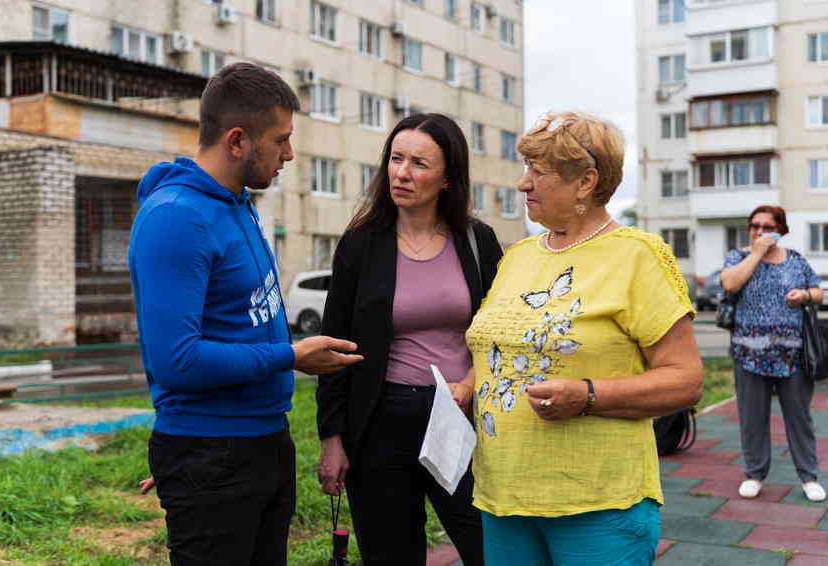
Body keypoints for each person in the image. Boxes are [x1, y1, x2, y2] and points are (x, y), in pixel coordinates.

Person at [128, 62, 363, 566]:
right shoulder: (177, 217)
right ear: (237, 141)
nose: (289, 154)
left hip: (262, 440)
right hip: (211, 454)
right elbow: (177, 361)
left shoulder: (237, 205)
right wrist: (291, 356)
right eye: (281, 140)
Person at [464, 111, 703, 566]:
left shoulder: (637, 255)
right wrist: (465, 387)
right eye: (526, 168)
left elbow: (686, 379)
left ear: (585, 182)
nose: (523, 183)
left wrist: (587, 395)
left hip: (597, 504)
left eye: (538, 171)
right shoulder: (517, 257)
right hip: (503, 497)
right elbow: (502, 347)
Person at [316, 113, 503, 566]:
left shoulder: (477, 241)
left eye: (419, 163)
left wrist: (472, 384)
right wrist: (332, 437)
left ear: (447, 177)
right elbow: (334, 344)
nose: (402, 173)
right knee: (392, 555)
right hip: (380, 423)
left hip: (460, 418)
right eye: (396, 159)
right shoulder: (361, 243)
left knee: (491, 550)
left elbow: (500, 334)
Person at [720, 205, 825, 502]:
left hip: (792, 355)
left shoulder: (796, 260)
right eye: (755, 226)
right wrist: (756, 253)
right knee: (752, 419)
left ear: (781, 230)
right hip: (748, 354)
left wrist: (805, 295)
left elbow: (818, 291)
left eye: (768, 227)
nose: (760, 231)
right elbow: (730, 284)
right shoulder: (738, 257)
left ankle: (809, 477)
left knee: (799, 418)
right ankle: (754, 474)